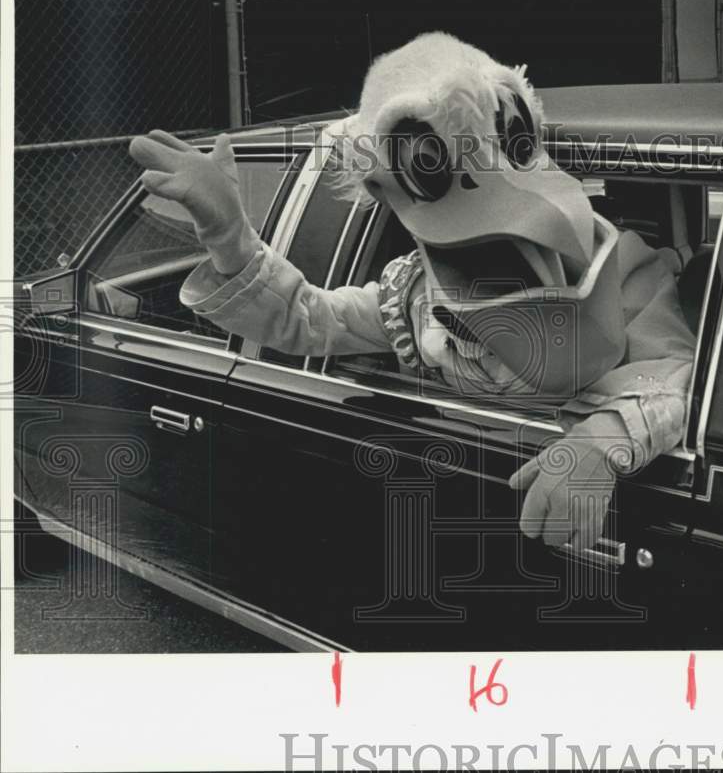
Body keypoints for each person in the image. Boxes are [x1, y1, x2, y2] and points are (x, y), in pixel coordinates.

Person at [129, 31, 694, 551]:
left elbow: (676, 369)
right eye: (431, 166)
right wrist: (231, 236)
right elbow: (312, 320)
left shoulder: (624, 269)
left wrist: (600, 444)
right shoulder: (415, 299)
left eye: (515, 142)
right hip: (455, 515)